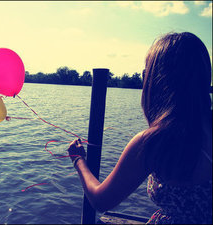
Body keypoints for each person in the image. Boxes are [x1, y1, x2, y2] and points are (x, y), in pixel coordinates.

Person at [67, 32, 212, 224]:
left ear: (158, 80)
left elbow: (101, 200)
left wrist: (78, 160)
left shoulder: (154, 141)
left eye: (146, 73)